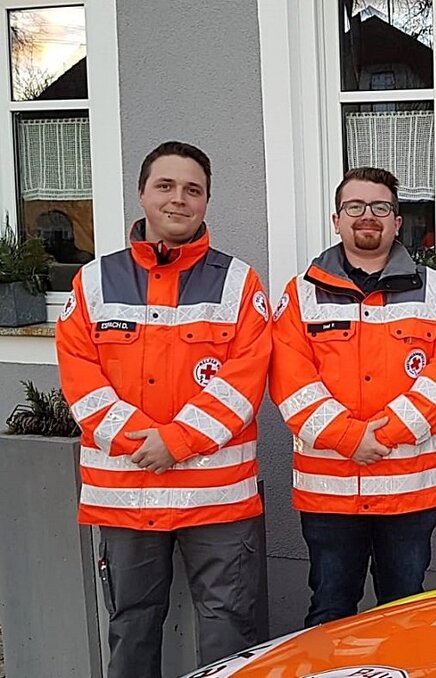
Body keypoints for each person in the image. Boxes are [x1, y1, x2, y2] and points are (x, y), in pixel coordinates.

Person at [56, 141, 270, 677]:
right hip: (125, 495)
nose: (179, 200)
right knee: (130, 628)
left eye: (193, 190)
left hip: (216, 500)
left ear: (206, 202)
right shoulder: (94, 282)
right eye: (166, 186)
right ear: (142, 194)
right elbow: (81, 379)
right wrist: (137, 441)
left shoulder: (239, 282)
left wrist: (175, 441)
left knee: (230, 631)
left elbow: (245, 380)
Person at [269, 167, 436, 625]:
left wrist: (381, 436)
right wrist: (347, 437)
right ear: (336, 219)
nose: (368, 216)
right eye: (355, 206)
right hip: (330, 494)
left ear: (398, 222)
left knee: (403, 616)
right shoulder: (300, 296)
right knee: (329, 614)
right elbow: (288, 378)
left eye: (381, 207)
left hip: (407, 494)